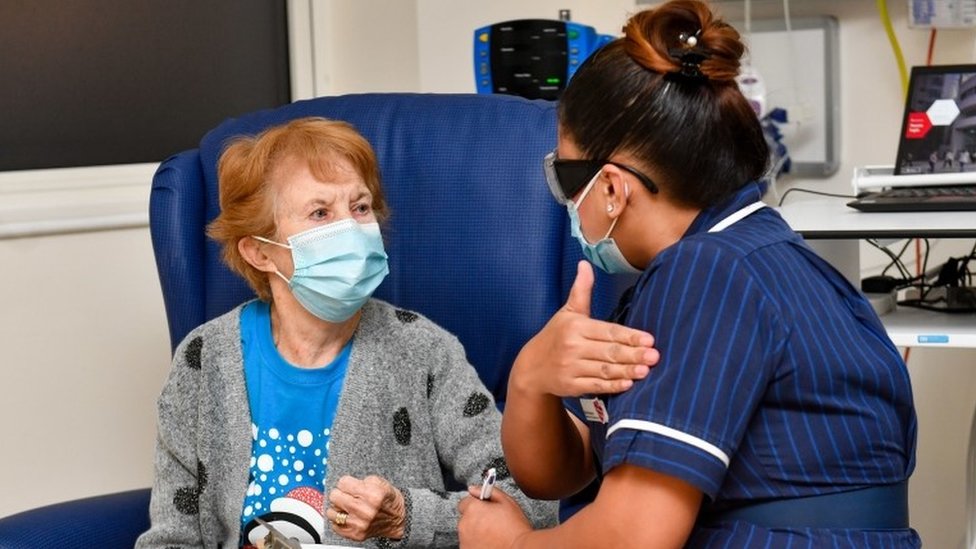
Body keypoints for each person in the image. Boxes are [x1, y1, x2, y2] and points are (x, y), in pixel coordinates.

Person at [457, 1, 919, 547]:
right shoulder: (759, 258)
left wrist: (510, 544)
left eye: (566, 178)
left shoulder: (707, 273)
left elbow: (634, 537)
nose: (566, 202)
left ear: (612, 188)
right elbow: (571, 469)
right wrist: (531, 376)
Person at [134, 117, 558, 548]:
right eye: (320, 213)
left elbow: (530, 503)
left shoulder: (423, 350)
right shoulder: (204, 359)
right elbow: (170, 539)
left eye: (360, 207)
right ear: (260, 251)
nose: (352, 229)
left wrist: (407, 517)